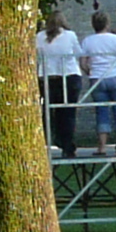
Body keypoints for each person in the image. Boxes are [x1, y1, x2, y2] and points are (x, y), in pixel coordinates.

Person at [80, 9, 116, 151]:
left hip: (97, 78)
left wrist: (90, 72)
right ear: (107, 24)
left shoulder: (87, 41)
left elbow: (83, 63)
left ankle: (102, 146)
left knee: (101, 111)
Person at [36, 13, 83, 156]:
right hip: (68, 75)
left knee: (49, 112)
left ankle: (51, 141)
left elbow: (37, 56)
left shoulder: (39, 37)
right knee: (68, 112)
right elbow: (78, 53)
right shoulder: (70, 35)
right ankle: (67, 144)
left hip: (47, 76)